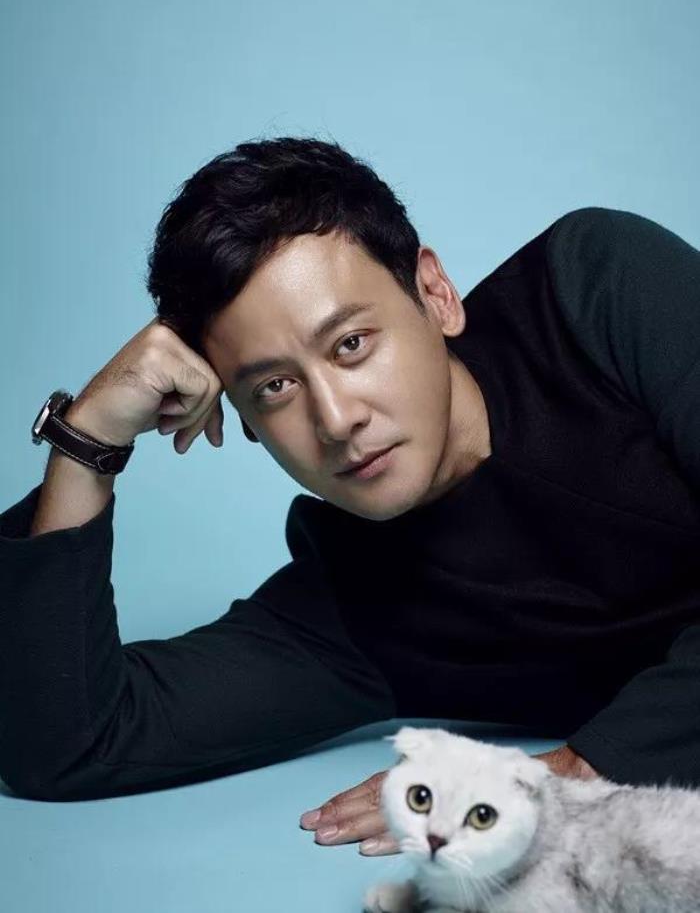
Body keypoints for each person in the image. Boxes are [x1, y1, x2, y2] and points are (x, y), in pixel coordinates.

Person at [1, 138, 699, 863]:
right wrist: (85, 443)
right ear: (244, 419)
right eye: (274, 387)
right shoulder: (350, 609)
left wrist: (572, 776)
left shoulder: (596, 290)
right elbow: (65, 743)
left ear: (436, 294)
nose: (336, 420)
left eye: (351, 345)